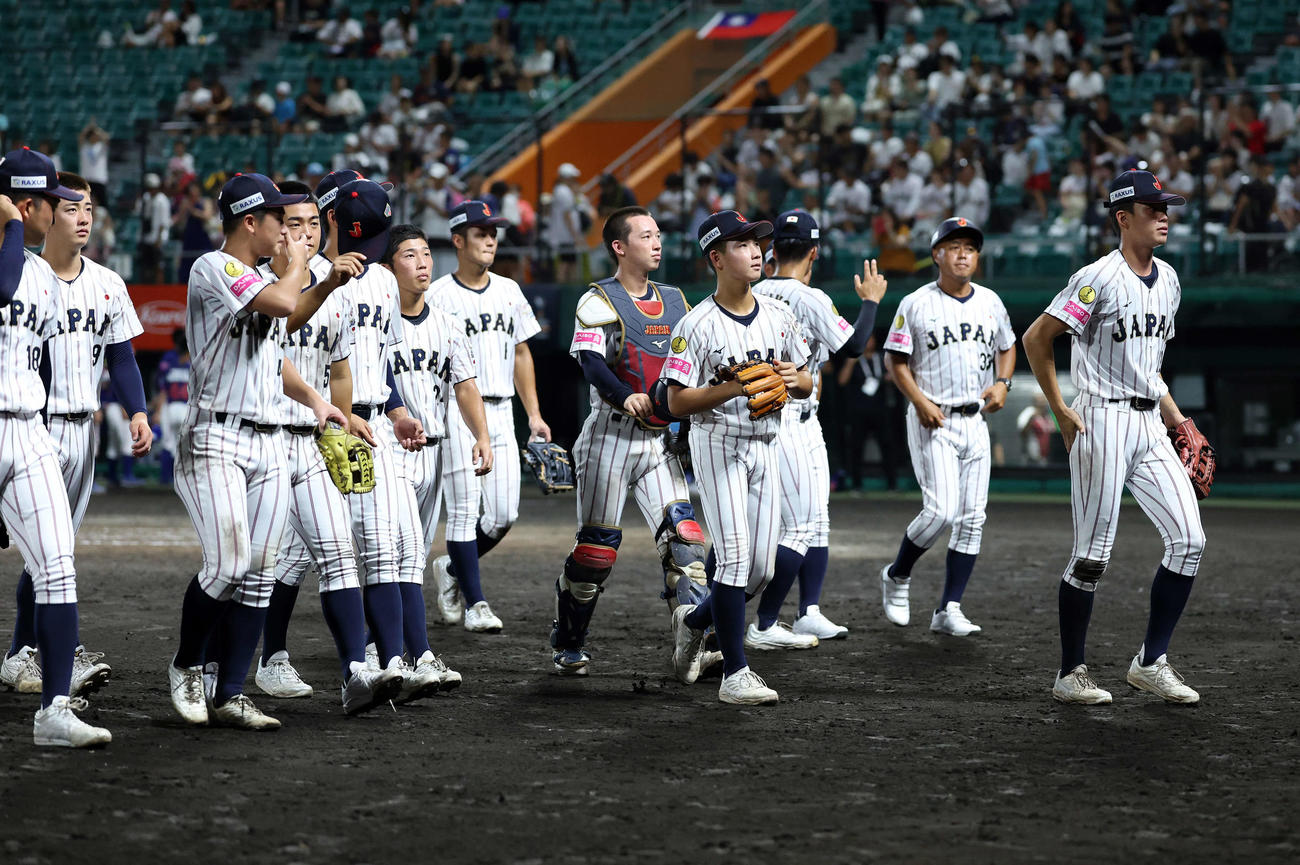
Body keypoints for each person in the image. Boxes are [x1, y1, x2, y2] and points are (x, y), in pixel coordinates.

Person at [165, 173, 348, 731]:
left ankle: (233, 693)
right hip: (216, 437)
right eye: (280, 223)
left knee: (261, 574)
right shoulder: (213, 266)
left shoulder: (265, 279)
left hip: (267, 438)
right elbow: (280, 301)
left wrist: (316, 399)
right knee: (227, 565)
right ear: (251, 222)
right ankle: (188, 664)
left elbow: (280, 332)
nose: (290, 233)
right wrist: (299, 265)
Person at [1022, 169, 1207, 706]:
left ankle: (1151, 663)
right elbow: (1037, 337)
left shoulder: (1168, 280)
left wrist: (1180, 422)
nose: (1164, 216)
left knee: (1189, 541)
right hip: (1100, 419)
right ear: (1123, 218)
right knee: (1092, 556)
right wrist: (1059, 408)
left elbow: (1150, 369)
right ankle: (1070, 673)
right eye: (1153, 209)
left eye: (1165, 207)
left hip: (1149, 424)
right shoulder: (1096, 278)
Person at [246, 179, 408, 714]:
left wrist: (340, 422)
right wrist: (323, 285)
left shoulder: (334, 284)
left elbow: (340, 367)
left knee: (339, 555)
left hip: (311, 445)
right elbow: (281, 327)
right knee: (248, 566)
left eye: (315, 223)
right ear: (270, 228)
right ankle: (219, 667)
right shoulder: (249, 281)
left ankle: (353, 673)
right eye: (295, 224)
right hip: (257, 441)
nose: (307, 233)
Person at [1, 170, 151, 699]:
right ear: (44, 213)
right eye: (71, 208)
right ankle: (34, 651)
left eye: (88, 208)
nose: (84, 216)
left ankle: (26, 652)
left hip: (82, 430)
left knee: (52, 551)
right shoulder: (25, 273)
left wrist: (137, 411)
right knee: (49, 551)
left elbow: (123, 356)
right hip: (32, 428)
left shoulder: (108, 281)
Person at [663, 210, 813, 705]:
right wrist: (732, 386)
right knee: (733, 559)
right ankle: (735, 673)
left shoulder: (779, 314)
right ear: (716, 258)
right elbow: (675, 402)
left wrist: (794, 380)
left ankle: (695, 621)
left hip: (767, 445)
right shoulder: (696, 324)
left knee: (761, 572)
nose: (756, 251)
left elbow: (807, 379)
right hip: (718, 444)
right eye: (743, 244)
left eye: (758, 243)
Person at [550, 206, 708, 676]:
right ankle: (569, 638)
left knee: (685, 541)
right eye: (646, 235)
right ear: (620, 247)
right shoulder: (598, 300)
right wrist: (626, 396)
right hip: (610, 438)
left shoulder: (678, 301)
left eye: (659, 233)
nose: (657, 242)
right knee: (597, 551)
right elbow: (592, 364)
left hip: (662, 441)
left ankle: (692, 642)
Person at [304, 171, 440, 699]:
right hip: (315, 424)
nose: (372, 249)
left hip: (372, 422)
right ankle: (273, 657)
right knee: (291, 560)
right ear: (333, 220)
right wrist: (334, 413)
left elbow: (376, 361)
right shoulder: (309, 276)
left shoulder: (383, 282)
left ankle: (392, 664)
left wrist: (396, 408)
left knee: (384, 548)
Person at [0, 150, 113, 747]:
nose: (63, 213)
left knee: (57, 565)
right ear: (28, 206)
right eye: (51, 202)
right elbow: (1, 285)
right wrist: (11, 224)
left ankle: (54, 711)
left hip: (26, 428)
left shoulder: (46, 276)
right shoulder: (16, 260)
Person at [744, 211, 885, 647]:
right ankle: (765, 623)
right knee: (801, 527)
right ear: (814, 252)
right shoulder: (809, 297)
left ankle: (808, 612)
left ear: (772, 251)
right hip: (788, 417)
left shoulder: (756, 289)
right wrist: (871, 302)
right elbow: (856, 346)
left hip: (793, 416)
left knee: (817, 521)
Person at [879, 217, 1016, 637]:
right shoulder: (916, 303)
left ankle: (948, 608)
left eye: (970, 248)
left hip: (974, 420)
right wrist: (919, 401)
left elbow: (1008, 347)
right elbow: (895, 361)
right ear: (936, 254)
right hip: (932, 418)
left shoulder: (990, 301)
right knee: (940, 511)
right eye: (954, 246)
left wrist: (1003, 382)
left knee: (972, 517)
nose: (963, 254)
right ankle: (897, 574)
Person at [427, 201, 552, 632]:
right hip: (458, 412)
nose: (491, 239)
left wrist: (533, 414)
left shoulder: (509, 290)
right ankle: (477, 603)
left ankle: (451, 568)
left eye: (493, 232)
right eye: (480, 233)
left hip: (501, 412)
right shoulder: (438, 296)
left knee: (502, 516)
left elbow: (521, 352)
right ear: (458, 240)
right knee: (463, 511)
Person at [384, 223, 492, 676]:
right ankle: (404, 652)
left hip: (433, 451)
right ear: (389, 266)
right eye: (410, 255)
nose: (423, 262)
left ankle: (399, 650)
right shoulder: (378, 319)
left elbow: (465, 386)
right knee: (395, 552)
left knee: (413, 555)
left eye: (426, 253)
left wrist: (481, 435)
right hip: (387, 448)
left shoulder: (446, 323)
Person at [151, 328, 190, 485]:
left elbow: (162, 390)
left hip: (171, 406)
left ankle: (165, 478)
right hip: (187, 407)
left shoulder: (169, 359)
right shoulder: (196, 359)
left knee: (168, 443)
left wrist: (158, 412)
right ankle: (181, 479)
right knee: (185, 445)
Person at [138, 173, 170, 282]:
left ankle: (159, 287)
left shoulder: (162, 200)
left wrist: (159, 239)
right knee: (147, 266)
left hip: (158, 238)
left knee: (158, 266)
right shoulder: (145, 199)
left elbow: (163, 222)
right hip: (147, 237)